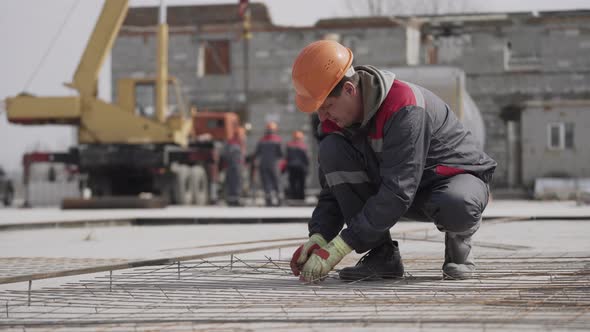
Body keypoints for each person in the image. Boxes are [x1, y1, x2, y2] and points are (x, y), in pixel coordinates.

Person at [289, 40, 497, 283]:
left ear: (349, 89)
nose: (323, 116)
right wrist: (321, 236)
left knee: (456, 203)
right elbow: (335, 189)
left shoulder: (403, 107)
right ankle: (382, 257)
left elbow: (399, 189)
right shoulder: (335, 124)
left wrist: (343, 245)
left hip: (450, 181)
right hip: (400, 190)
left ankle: (458, 247)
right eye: (318, 110)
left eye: (327, 107)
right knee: (331, 149)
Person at [254, 121, 284, 206]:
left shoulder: (261, 140)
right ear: (275, 130)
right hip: (274, 164)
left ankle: (269, 200)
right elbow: (280, 153)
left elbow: (257, 152)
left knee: (266, 182)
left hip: (263, 164)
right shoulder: (277, 140)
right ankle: (279, 199)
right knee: (277, 181)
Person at [222, 127, 245, 206]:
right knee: (236, 182)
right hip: (235, 166)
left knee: (233, 182)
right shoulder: (235, 144)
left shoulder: (232, 143)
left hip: (232, 166)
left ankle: (232, 199)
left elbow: (225, 154)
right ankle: (235, 200)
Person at [286, 130, 309, 201]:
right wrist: (307, 166)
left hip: (291, 167)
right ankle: (301, 197)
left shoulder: (289, 145)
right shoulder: (303, 146)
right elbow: (305, 158)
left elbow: (287, 157)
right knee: (301, 183)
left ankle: (293, 197)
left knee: (292, 183)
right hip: (301, 167)